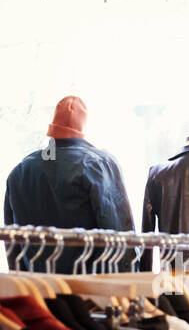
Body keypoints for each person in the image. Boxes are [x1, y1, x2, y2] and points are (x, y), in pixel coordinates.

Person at [3, 95, 134, 273]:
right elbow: (120, 237)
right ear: (82, 126)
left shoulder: (20, 171)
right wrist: (129, 288)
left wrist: (21, 290)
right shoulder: (98, 164)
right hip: (89, 289)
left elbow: (13, 243)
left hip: (37, 289)